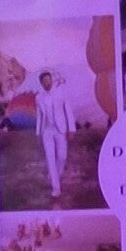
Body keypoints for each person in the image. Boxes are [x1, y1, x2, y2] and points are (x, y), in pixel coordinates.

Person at [33, 67, 72, 200]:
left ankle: (56, 175)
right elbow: (39, 116)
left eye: (49, 80)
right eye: (44, 81)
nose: (47, 83)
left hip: (60, 129)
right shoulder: (39, 97)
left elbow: (68, 110)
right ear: (41, 83)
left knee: (62, 156)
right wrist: (38, 133)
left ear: (51, 80)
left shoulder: (61, 93)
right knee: (50, 157)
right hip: (47, 131)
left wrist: (71, 129)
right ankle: (56, 187)